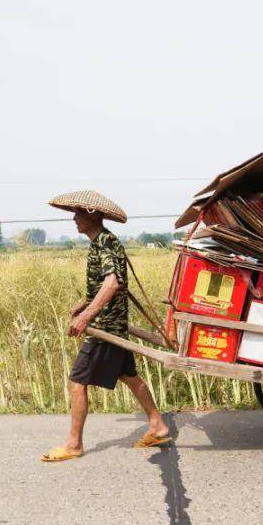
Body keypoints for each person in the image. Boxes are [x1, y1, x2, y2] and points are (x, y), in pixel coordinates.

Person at [40, 190, 171, 462]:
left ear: (92, 214)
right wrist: (83, 303)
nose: (74, 218)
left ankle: (74, 444)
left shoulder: (105, 243)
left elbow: (112, 283)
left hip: (106, 328)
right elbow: (104, 284)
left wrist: (87, 315)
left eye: (78, 213)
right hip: (113, 325)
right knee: (129, 376)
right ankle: (157, 426)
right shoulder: (101, 242)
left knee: (77, 382)